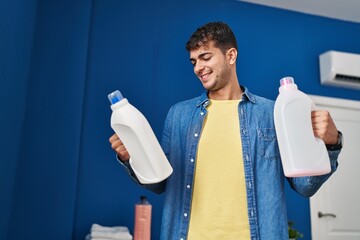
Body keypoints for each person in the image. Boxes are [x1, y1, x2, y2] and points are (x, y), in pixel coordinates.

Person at [109, 22, 342, 240]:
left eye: (205, 57)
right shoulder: (179, 115)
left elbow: (305, 186)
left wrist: (332, 144)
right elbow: (159, 184)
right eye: (193, 62)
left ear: (231, 55)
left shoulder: (272, 113)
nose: (198, 68)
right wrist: (132, 158)